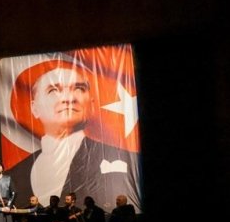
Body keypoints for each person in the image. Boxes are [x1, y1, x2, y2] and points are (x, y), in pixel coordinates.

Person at [9, 66, 141, 211]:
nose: (68, 98)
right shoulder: (13, 175)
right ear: (35, 108)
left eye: (78, 88)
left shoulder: (123, 158)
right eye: (53, 90)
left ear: (91, 105)